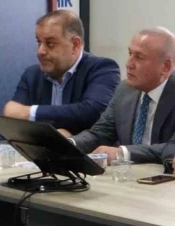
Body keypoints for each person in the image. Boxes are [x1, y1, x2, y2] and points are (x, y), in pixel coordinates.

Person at [3, 10, 120, 136]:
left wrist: (31, 112)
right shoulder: (32, 75)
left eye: (50, 44)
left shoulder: (102, 69)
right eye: (39, 42)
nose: (40, 51)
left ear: (75, 45)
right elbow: (11, 122)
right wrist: (53, 136)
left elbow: (93, 112)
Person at [70, 27, 175, 164]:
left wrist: (124, 153)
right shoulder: (124, 90)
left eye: (139, 57)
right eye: (130, 54)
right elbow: (100, 133)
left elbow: (171, 147)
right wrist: (68, 144)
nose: (128, 64)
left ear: (166, 66)